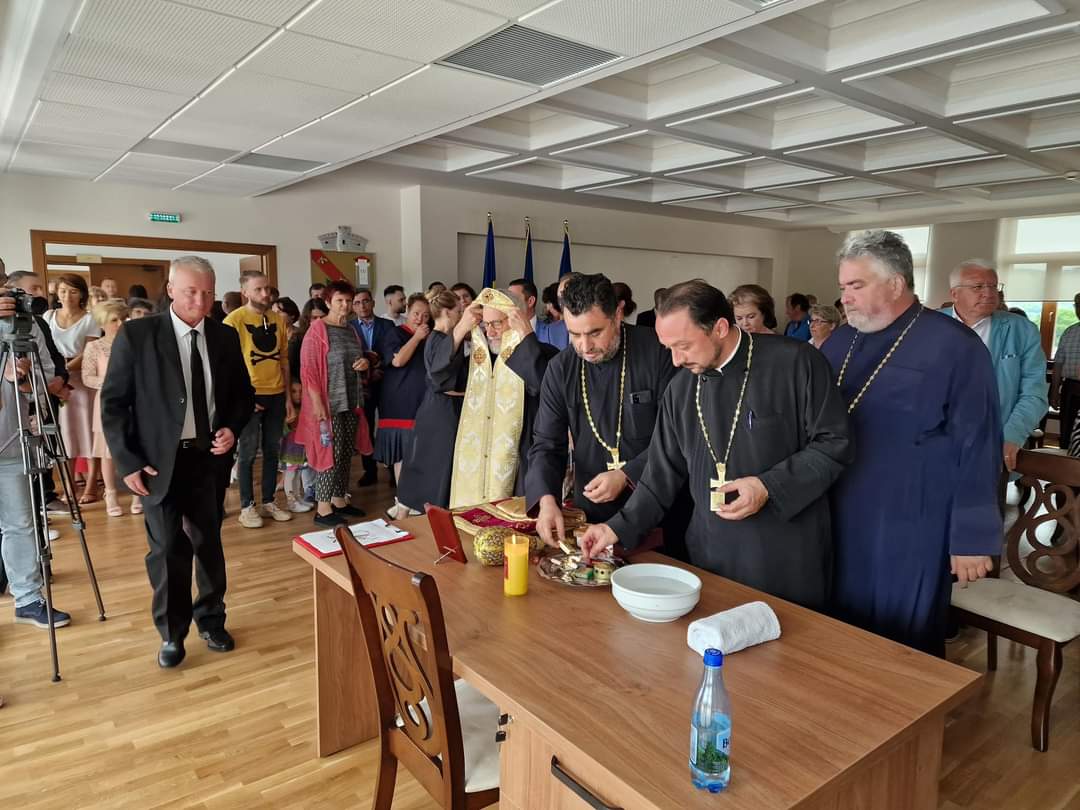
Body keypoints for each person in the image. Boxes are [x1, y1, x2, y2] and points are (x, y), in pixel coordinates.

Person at [578, 280, 853, 610]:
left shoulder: (796, 362)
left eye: (684, 346)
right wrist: (615, 529)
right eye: (668, 348)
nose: (676, 360)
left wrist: (768, 486)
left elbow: (834, 443)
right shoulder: (681, 389)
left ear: (720, 328)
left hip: (783, 556)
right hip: (710, 554)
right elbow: (660, 475)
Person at [822, 231, 1000, 655]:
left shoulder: (956, 346)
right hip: (839, 504)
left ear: (896, 283)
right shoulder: (841, 340)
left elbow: (978, 443)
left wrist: (971, 537)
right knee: (837, 619)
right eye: (843, 287)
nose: (845, 298)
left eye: (856, 285)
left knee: (903, 628)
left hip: (913, 515)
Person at [101, 256, 254, 668]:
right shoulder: (138, 335)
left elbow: (242, 394)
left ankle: (212, 618)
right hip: (157, 464)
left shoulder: (224, 336)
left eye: (207, 293)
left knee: (208, 543)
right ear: (170, 290)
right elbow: (113, 404)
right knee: (167, 549)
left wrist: (232, 427)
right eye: (190, 292)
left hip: (208, 460)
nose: (200, 301)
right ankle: (172, 633)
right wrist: (128, 462)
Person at [528, 273, 677, 541]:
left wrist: (627, 474)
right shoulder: (561, 368)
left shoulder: (661, 353)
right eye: (574, 334)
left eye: (595, 332)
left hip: (659, 510)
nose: (585, 346)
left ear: (618, 314)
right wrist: (546, 500)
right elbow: (547, 444)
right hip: (592, 514)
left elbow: (677, 437)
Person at [0, 289, 72, 629]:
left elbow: (48, 375)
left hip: (12, 439)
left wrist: (28, 381)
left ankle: (28, 599)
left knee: (20, 524)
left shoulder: (25, 325)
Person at [449, 288, 558, 505]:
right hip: (479, 462)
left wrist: (526, 336)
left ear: (516, 319)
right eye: (485, 325)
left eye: (497, 324)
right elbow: (439, 379)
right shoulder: (476, 361)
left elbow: (543, 386)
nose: (490, 332)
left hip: (522, 453)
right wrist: (460, 328)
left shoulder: (543, 353)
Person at [943, 259, 1047, 471]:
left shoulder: (1021, 330)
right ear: (955, 294)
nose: (989, 293)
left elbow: (1034, 393)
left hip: (993, 441)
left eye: (993, 286)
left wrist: (1012, 435)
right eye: (978, 287)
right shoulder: (926, 326)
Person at [297, 280, 373, 527]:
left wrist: (364, 363)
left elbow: (358, 358)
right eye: (340, 300)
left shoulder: (350, 329)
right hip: (328, 404)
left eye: (348, 301)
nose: (345, 305)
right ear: (328, 302)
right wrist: (317, 404)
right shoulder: (317, 330)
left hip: (351, 400)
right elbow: (308, 371)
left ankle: (339, 500)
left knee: (345, 453)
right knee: (330, 453)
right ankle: (323, 508)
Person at [224, 271, 295, 529]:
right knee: (247, 452)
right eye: (258, 289)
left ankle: (268, 501)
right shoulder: (233, 321)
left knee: (273, 450)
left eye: (267, 288)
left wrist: (288, 398)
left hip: (276, 393)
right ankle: (247, 506)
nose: (265, 294)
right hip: (249, 395)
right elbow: (226, 366)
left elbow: (283, 360)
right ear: (245, 292)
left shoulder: (277, 319)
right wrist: (242, 397)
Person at [393, 290, 474, 517]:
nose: (460, 315)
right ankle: (425, 519)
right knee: (436, 466)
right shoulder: (440, 339)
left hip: (441, 409)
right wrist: (461, 330)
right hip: (441, 411)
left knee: (429, 465)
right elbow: (439, 374)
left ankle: (407, 516)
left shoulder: (445, 339)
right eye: (458, 312)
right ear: (447, 312)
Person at [43, 273, 100, 503]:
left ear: (82, 294)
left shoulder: (90, 319)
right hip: (55, 382)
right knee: (65, 433)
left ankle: (92, 485)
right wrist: (57, 373)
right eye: (63, 290)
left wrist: (64, 369)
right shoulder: (48, 316)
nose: (68, 296)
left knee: (88, 431)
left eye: (73, 291)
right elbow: (44, 347)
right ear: (57, 293)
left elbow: (89, 352)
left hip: (81, 380)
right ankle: (69, 485)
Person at [82, 299, 133, 517]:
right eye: (114, 320)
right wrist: (111, 383)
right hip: (106, 402)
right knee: (107, 451)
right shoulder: (94, 347)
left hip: (133, 401)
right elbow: (87, 377)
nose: (120, 323)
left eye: (123, 318)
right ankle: (110, 493)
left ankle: (137, 493)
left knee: (135, 444)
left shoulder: (134, 343)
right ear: (102, 323)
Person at [375, 294, 431, 483]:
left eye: (425, 315)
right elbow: (398, 361)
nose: (420, 319)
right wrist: (416, 337)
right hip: (400, 402)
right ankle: (403, 497)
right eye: (416, 313)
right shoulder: (395, 333)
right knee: (403, 454)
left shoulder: (430, 336)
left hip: (423, 401)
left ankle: (417, 496)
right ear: (407, 311)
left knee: (422, 453)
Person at [349, 288, 393, 487]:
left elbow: (391, 351)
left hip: (385, 384)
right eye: (357, 303)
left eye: (365, 301)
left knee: (388, 427)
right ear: (353, 306)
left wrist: (376, 363)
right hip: (361, 386)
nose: (362, 306)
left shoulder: (387, 325)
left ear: (373, 303)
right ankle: (369, 471)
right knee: (365, 428)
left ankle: (393, 470)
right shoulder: (348, 327)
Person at [509, 277, 568, 351]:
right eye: (507, 298)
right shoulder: (500, 332)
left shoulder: (558, 332)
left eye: (513, 298)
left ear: (530, 301)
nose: (508, 303)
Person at [1051, 292, 1080, 445]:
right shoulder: (1069, 332)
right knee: (1067, 433)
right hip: (1071, 387)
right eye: (1077, 305)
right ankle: (1065, 456)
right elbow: (1058, 364)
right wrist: (1054, 391)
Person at [289, 298, 328, 380]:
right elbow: (291, 367)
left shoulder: (332, 335)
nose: (319, 321)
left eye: (322, 317)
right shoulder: (297, 339)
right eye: (314, 317)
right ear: (307, 319)